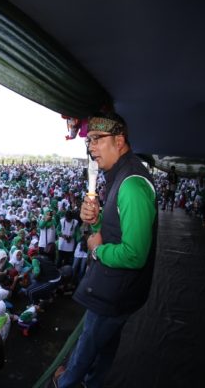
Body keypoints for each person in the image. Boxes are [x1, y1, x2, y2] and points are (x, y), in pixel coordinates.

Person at [55, 112, 157, 388]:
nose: (91, 148)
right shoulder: (120, 176)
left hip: (116, 290)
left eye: (98, 140)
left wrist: (98, 250)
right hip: (118, 289)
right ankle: (93, 382)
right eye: (89, 141)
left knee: (87, 346)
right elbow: (116, 229)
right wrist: (96, 218)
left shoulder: (132, 185)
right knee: (105, 344)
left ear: (120, 140)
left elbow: (135, 254)